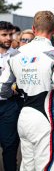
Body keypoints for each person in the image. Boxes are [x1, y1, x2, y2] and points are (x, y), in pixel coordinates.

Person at [0, 11, 54, 170]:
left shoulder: (15, 54)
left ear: (33, 29)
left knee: (27, 166)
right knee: (45, 167)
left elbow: (3, 89)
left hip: (23, 119)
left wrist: (14, 93)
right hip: (44, 119)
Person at [0, 21, 20, 171]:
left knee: (10, 145)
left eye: (10, 34)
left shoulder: (17, 55)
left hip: (9, 105)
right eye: (4, 35)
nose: (8, 38)